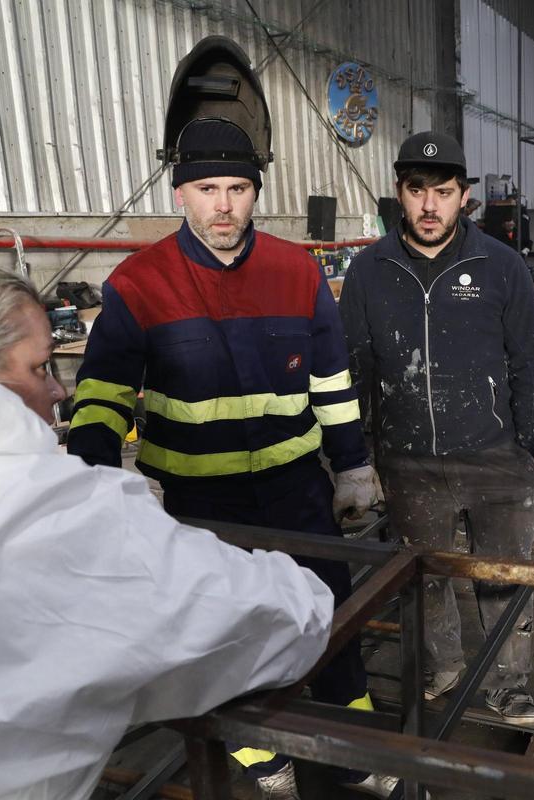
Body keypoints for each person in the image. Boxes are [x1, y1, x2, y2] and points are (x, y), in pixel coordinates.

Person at [0, 241, 333, 800]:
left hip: (285, 482)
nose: (58, 389)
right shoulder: (44, 512)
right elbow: (273, 622)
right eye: (40, 367)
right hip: (208, 498)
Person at [66, 117, 390, 798]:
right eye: (206, 187)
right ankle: (255, 751)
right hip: (192, 506)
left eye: (238, 187)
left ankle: (358, 743)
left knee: (328, 615)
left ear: (255, 192)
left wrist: (353, 466)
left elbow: (330, 381)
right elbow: (101, 396)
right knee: (218, 630)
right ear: (180, 194)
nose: (223, 204)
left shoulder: (296, 271)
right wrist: (97, 479)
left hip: (296, 493)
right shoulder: (138, 284)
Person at [339, 131, 534, 724]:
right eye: (417, 191)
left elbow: (531, 358)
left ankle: (510, 685)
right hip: (409, 463)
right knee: (424, 578)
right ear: (399, 195)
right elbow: (353, 366)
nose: (430, 206)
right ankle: (446, 665)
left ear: (465, 198)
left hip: (495, 460)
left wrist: (525, 443)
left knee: (503, 578)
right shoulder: (369, 271)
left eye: (444, 192)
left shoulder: (500, 266)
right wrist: (359, 457)